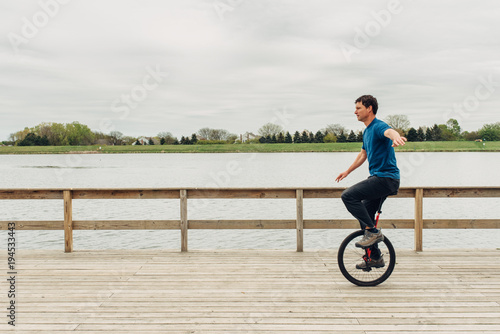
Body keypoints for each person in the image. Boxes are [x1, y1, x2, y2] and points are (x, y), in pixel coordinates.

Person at [335, 95, 406, 269]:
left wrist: (396, 137)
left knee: (348, 196)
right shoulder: (366, 131)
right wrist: (347, 171)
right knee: (364, 213)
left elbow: (389, 132)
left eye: (358, 108)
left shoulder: (378, 126)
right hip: (378, 178)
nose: (355, 111)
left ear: (369, 109)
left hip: (386, 179)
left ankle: (373, 233)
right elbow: (362, 155)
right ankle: (375, 257)